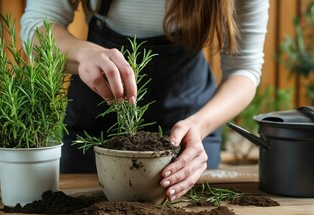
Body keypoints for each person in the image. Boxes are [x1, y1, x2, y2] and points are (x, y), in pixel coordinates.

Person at [21, 0, 269, 202]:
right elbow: (35, 28)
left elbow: (244, 70)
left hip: (188, 130)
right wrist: (82, 52)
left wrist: (200, 125)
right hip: (94, 130)